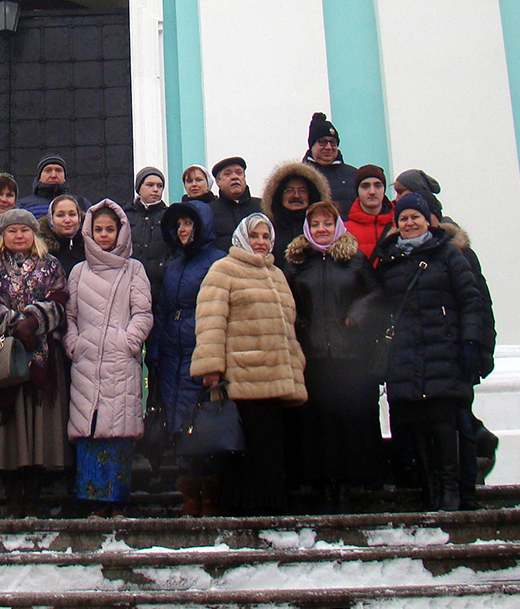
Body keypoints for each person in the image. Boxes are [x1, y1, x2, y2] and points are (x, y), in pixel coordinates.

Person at [371, 193, 491, 511]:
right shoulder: (390, 261)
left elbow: (470, 300)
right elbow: (382, 307)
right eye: (403, 219)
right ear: (396, 225)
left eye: (415, 218)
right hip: (405, 355)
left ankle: (451, 491)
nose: (409, 224)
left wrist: (469, 343)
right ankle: (430, 490)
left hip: (443, 351)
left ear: (427, 220)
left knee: (445, 424)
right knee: (416, 425)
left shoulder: (448, 255)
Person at [191, 212, 308, 516]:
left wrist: (295, 372)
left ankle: (270, 508)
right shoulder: (223, 270)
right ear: (243, 237)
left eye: (265, 237)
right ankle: (239, 510)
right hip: (240, 379)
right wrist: (211, 367)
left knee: (270, 449)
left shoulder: (277, 274)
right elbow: (210, 322)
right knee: (240, 449)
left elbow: (288, 327)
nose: (260, 242)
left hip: (274, 377)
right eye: (254, 236)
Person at [0, 209, 70, 517]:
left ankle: (33, 495)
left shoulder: (50, 264)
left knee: (38, 431)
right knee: (8, 431)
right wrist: (13, 324)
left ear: (33, 234)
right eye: (12, 231)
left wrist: (35, 321)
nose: (18, 236)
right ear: (3, 235)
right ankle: (13, 496)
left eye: (24, 230)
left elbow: (60, 299)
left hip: (42, 359)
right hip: (2, 360)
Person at [282, 202, 381, 507]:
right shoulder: (298, 264)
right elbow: (287, 301)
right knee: (318, 424)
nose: (321, 230)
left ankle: (348, 485)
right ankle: (323, 485)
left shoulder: (353, 260)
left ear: (337, 227)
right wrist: (300, 324)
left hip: (349, 356)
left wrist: (356, 315)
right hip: (312, 356)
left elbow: (375, 294)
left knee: (347, 421)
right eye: (315, 225)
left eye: (327, 224)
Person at [65, 201, 153, 516]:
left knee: (117, 434)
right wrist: (74, 344)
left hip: (120, 363)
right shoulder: (78, 271)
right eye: (98, 229)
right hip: (86, 362)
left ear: (120, 231)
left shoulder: (134, 269)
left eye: (109, 230)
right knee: (89, 433)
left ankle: (118, 502)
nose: (103, 235)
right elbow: (69, 317)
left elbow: (142, 313)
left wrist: (128, 341)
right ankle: (93, 502)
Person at [149, 199, 227, 515]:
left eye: (189, 224)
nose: (183, 230)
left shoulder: (217, 262)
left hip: (201, 348)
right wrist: (155, 350)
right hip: (172, 353)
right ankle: (189, 495)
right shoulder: (175, 263)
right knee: (179, 424)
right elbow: (164, 308)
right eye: (179, 224)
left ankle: (210, 494)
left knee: (204, 423)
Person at [261, 160, 331, 264]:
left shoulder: (324, 229)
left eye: (302, 190)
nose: (296, 195)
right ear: (279, 195)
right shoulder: (267, 230)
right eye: (289, 190)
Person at [124, 166, 169, 291]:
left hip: (160, 283)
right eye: (150, 185)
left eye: (159, 186)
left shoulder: (169, 215)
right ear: (139, 188)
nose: (155, 190)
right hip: (129, 282)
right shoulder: (125, 215)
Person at [303, 112, 357, 213]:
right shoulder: (300, 177)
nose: (328, 147)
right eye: (322, 142)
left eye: (333, 143)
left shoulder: (354, 175)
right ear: (312, 145)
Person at [208, 156, 261, 250]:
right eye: (228, 174)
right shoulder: (210, 211)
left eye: (239, 173)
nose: (235, 177)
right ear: (217, 182)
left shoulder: (262, 206)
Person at [18, 154, 88, 219]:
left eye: (58, 170)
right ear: (39, 178)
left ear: (64, 178)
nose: (53, 175)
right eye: (48, 171)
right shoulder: (23, 206)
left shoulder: (81, 203)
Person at [344, 165, 394, 258]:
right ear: (357, 191)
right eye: (365, 186)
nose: (372, 191)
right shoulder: (344, 231)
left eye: (378, 186)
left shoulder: (399, 226)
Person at [38, 194, 84, 277]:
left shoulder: (90, 247)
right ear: (51, 218)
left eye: (72, 214)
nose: (67, 220)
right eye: (60, 215)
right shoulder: (41, 251)